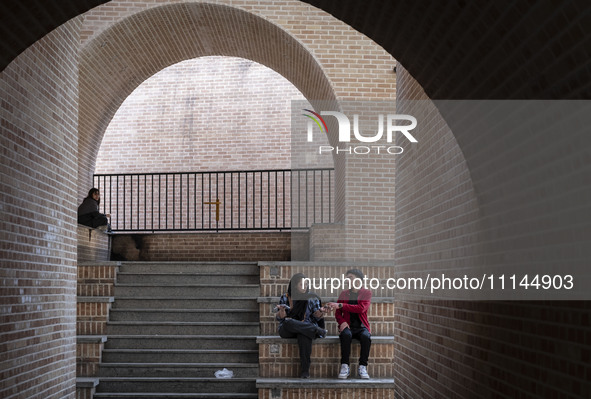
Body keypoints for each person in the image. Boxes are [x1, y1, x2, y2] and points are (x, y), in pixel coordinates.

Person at [276, 273, 328, 379]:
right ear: (295, 285)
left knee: (304, 334)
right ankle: (316, 330)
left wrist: (322, 312)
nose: (304, 287)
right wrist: (281, 311)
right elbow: (281, 317)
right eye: (301, 284)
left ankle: (305, 371)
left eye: (306, 284)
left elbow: (317, 315)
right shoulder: (286, 298)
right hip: (289, 329)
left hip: (305, 328)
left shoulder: (312, 298)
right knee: (287, 322)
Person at [326, 269, 372, 380]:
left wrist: (341, 305)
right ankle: (345, 366)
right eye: (347, 278)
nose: (347, 280)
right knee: (346, 335)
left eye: (350, 277)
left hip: (361, 327)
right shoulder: (344, 293)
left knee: (366, 337)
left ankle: (363, 366)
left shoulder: (367, 293)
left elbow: (361, 309)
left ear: (358, 279)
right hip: (348, 327)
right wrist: (342, 322)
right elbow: (337, 312)